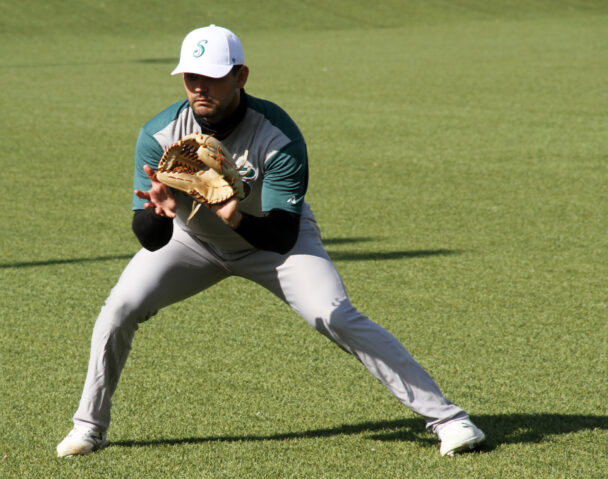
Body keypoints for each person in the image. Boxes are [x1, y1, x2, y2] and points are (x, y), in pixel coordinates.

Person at [57, 24, 485, 458]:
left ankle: (450, 419)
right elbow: (151, 242)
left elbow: (281, 236)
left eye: (212, 76)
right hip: (192, 241)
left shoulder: (277, 136)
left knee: (333, 315)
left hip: (276, 242)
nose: (199, 87)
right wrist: (158, 211)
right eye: (191, 77)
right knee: (118, 309)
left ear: (241, 76)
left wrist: (234, 216)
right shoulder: (159, 134)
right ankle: (89, 427)